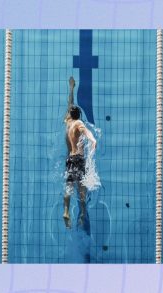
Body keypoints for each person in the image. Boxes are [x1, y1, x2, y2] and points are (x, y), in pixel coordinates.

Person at [63, 77, 97, 229]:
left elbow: (70, 104)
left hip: (70, 159)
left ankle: (66, 211)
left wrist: (71, 88)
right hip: (78, 159)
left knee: (69, 186)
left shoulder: (69, 123)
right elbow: (87, 131)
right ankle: (83, 212)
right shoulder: (78, 123)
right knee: (82, 189)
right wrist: (93, 140)